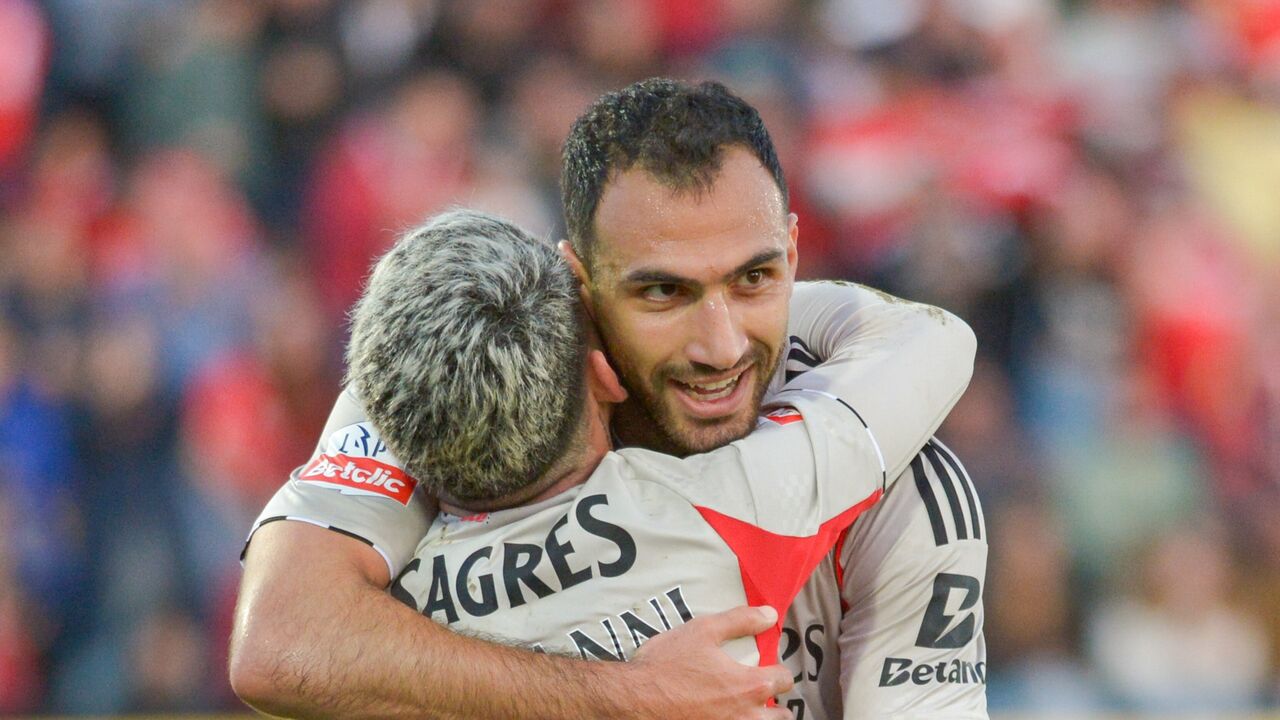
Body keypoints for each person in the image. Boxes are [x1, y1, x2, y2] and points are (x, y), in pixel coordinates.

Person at [230, 79, 989, 719]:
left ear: (792, 253)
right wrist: (629, 694)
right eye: (664, 290)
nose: (720, 346)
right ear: (580, 288)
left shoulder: (907, 492)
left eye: (753, 277)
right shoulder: (445, 371)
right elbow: (280, 641)